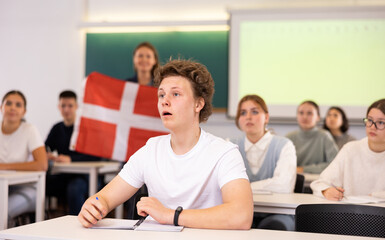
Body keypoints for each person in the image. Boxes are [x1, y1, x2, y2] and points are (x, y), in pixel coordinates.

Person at [78, 59, 253, 230]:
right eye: (161, 94)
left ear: (198, 104)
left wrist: (170, 215)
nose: (164, 101)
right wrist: (94, 205)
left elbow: (241, 215)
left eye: (175, 94)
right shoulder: (150, 150)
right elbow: (105, 198)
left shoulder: (224, 153)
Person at [232, 94, 296, 230]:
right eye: (243, 113)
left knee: (275, 227)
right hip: (240, 212)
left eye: (254, 111)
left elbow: (284, 185)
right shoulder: (230, 146)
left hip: (277, 213)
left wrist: (244, 188)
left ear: (266, 117)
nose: (248, 117)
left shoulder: (284, 145)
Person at [311, 99, 385, 200]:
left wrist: (377, 195)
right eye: (370, 120)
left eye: (380, 122)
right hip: (350, 214)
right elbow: (320, 183)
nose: (372, 127)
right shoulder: (350, 149)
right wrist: (327, 190)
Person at [45, 90, 102, 215]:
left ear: (76, 107)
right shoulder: (57, 128)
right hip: (64, 175)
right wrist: (46, 154)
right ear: (59, 107)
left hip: (86, 177)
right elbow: (45, 146)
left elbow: (96, 156)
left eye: (70, 105)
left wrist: (71, 159)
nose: (66, 109)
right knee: (42, 184)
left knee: (74, 188)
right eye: (63, 106)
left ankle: (79, 225)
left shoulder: (86, 128)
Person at [0, 90, 47, 225]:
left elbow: (42, 165)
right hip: (3, 186)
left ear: (24, 111)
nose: (13, 108)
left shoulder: (29, 130)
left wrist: (4, 166)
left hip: (28, 188)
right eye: (8, 103)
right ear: (1, 107)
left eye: (18, 105)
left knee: (3, 210)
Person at [286, 100, 339, 174]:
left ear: (318, 117)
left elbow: (335, 164)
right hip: (293, 181)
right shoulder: (289, 138)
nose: (304, 117)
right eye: (301, 113)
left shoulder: (325, 136)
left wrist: (303, 169)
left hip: (318, 181)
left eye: (309, 113)